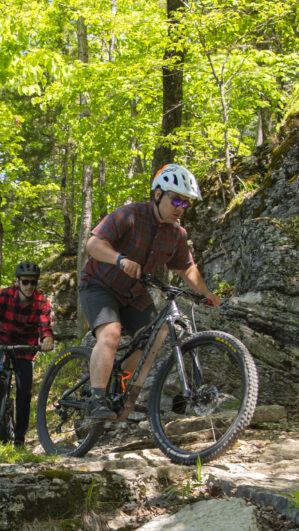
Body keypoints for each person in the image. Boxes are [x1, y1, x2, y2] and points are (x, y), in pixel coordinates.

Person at [80, 163, 219, 420]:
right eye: (176, 200)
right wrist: (120, 259)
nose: (180, 208)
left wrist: (207, 293)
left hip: (135, 293)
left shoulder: (177, 235)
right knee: (111, 334)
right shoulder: (130, 214)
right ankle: (97, 399)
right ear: (158, 194)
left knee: (152, 337)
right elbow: (93, 244)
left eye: (185, 204)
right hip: (100, 284)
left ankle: (120, 387)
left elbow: (186, 268)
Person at [0, 261, 57, 444]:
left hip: (25, 347)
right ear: (17, 281)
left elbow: (46, 329)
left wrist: (47, 340)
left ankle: (19, 438)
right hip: (2, 340)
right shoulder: (3, 296)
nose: (29, 286)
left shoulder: (42, 303)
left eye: (33, 282)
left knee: (24, 392)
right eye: (25, 282)